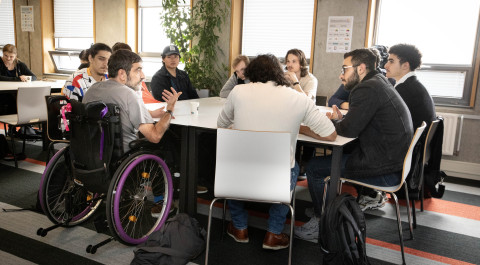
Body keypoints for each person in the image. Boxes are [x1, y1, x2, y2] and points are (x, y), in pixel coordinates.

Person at [217, 54, 337, 250]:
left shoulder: (238, 91)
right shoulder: (298, 98)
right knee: (293, 165)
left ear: (251, 72)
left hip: (238, 175)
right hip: (277, 176)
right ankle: (273, 233)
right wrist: (299, 127)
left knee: (231, 159)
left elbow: (221, 123)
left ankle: (239, 227)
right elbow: (330, 134)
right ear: (280, 73)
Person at [295, 48, 413, 241]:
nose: (341, 75)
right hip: (392, 160)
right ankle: (325, 208)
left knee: (315, 168)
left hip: (384, 168)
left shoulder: (367, 88)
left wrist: (321, 125)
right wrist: (341, 121)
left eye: (345, 69)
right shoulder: (379, 82)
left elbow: (348, 131)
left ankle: (322, 222)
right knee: (328, 159)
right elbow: (355, 124)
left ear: (361, 69)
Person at [385, 44, 436, 129]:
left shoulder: (405, 89)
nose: (386, 65)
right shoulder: (413, 85)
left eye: (391, 61)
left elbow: (390, 120)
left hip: (407, 140)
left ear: (405, 66)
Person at [328, 45, 394, 109]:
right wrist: (351, 105)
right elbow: (332, 100)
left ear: (374, 64)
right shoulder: (353, 78)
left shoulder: (387, 80)